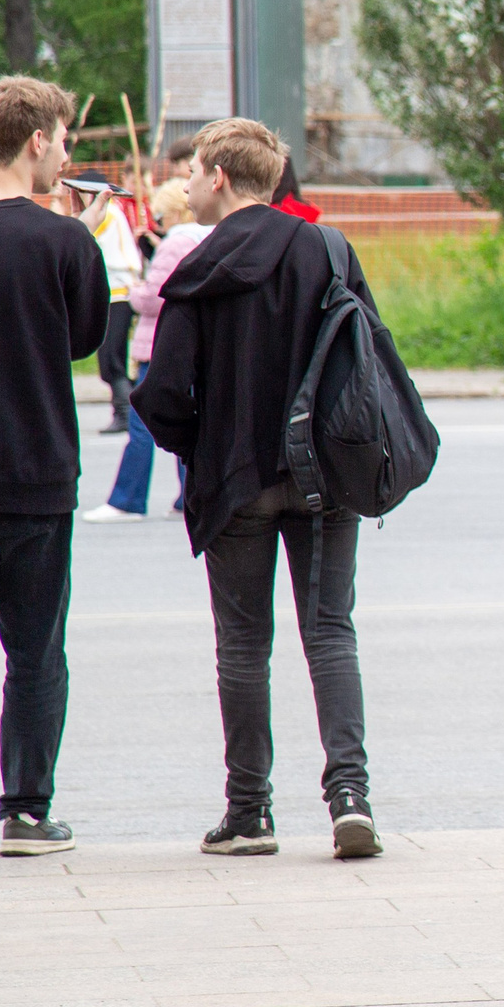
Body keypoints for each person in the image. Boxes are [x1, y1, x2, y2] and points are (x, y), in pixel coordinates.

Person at [134, 118, 383, 860]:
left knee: (242, 646)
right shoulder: (328, 249)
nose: (186, 185)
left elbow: (163, 392)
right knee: (330, 631)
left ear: (217, 177)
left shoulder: (197, 268)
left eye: (192, 172)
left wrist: (204, 447)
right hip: (325, 473)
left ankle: (249, 814)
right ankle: (350, 797)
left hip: (235, 480)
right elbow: (366, 356)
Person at [0, 76, 109, 857]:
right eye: (64, 139)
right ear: (37, 140)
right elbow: (83, 340)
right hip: (36, 470)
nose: (66, 154)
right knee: (36, 651)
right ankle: (25, 812)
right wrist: (86, 237)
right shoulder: (65, 241)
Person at [84, 178, 214, 524]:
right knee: (189, 423)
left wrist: (136, 290)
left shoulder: (175, 243)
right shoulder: (204, 239)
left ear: (174, 212)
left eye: (160, 214)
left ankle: (128, 498)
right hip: (190, 346)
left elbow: (156, 295)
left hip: (156, 344)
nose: (156, 220)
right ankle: (189, 497)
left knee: (142, 425)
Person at [89, 186, 143, 433]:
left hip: (118, 291)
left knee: (112, 357)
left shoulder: (106, 213)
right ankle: (124, 410)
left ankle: (126, 411)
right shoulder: (112, 212)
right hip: (116, 290)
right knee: (113, 357)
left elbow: (84, 234)